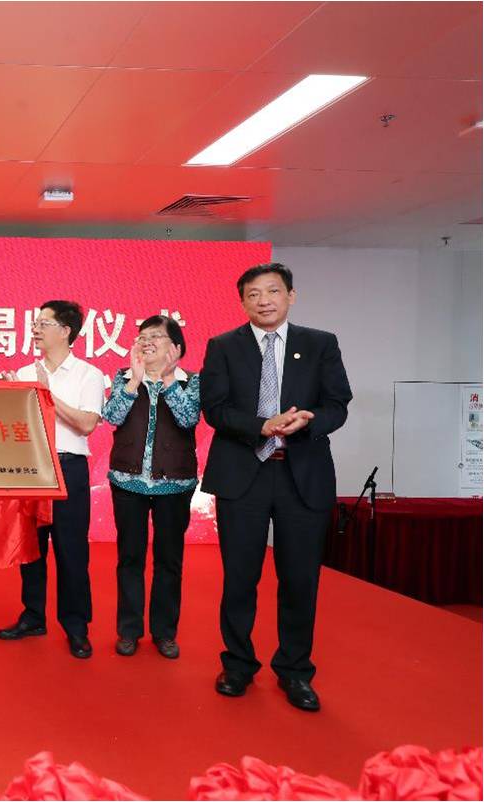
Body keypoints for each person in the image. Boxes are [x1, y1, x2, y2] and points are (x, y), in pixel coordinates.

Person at [200, 262, 352, 712]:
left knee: (300, 579)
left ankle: (295, 671)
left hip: (301, 474)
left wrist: (309, 420)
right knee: (239, 577)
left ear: (291, 296)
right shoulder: (223, 346)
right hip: (243, 474)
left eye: (272, 291)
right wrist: (260, 425)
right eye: (253, 294)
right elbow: (214, 408)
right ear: (242, 302)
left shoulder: (320, 343)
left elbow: (338, 404)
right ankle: (238, 665)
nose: (263, 300)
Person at [0, 301, 104, 659]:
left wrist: (46, 394)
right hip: (31, 468)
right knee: (31, 548)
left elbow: (86, 424)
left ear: (66, 331)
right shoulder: (25, 371)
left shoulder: (88, 374)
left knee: (71, 550)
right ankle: (33, 615)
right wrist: (12, 397)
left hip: (68, 468)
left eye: (44, 323)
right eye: (35, 323)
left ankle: (76, 626)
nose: (36, 329)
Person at [101, 315, 199, 660]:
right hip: (128, 482)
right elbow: (111, 417)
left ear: (176, 347)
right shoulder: (124, 377)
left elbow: (188, 419)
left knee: (169, 560)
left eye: (156, 336)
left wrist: (168, 380)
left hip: (175, 484)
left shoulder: (191, 381)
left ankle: (164, 632)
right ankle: (129, 630)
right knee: (130, 558)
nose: (147, 342)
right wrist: (133, 382)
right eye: (142, 336)